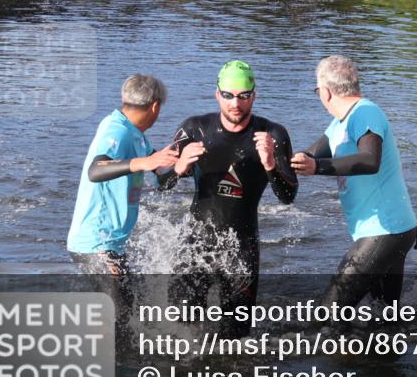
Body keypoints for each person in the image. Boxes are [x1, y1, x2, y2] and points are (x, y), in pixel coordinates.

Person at [161, 61, 298, 338]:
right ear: (217, 95)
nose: (236, 103)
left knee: (234, 339)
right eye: (228, 95)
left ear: (254, 96)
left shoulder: (273, 134)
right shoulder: (194, 129)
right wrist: (178, 168)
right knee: (180, 333)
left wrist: (270, 163)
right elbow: (161, 182)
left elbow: (287, 197)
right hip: (195, 244)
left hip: (242, 248)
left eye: (244, 96)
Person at [291, 56, 417, 313]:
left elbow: (370, 160)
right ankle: (387, 352)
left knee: (326, 315)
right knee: (383, 314)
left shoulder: (365, 112)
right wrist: (270, 160)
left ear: (325, 92)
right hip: (391, 231)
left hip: (385, 230)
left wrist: (318, 168)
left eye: (317, 90)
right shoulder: (340, 123)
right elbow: (307, 157)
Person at [66, 75, 178, 298]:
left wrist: (182, 165)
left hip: (110, 243)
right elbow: (95, 170)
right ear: (155, 106)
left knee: (126, 311)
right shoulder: (116, 129)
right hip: (96, 243)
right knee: (119, 317)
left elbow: (163, 181)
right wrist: (143, 163)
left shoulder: (138, 136)